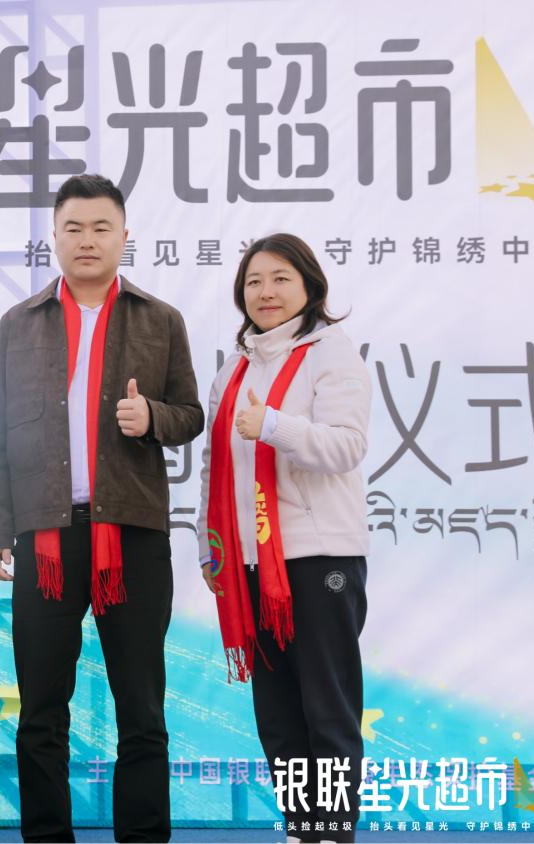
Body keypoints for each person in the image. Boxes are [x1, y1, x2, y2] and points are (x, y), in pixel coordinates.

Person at [0, 173, 204, 843]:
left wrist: (152, 417)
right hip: (46, 537)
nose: (86, 240)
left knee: (142, 710)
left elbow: (191, 414)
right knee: (41, 711)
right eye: (73, 227)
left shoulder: (160, 319)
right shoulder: (19, 324)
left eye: (101, 227)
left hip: (131, 536)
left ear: (124, 236)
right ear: (54, 236)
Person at [197, 233, 371, 843]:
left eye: (279, 279)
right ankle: (303, 828)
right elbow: (214, 466)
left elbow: (346, 446)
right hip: (249, 564)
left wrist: (272, 424)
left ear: (309, 286)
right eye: (253, 282)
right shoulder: (234, 368)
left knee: (328, 708)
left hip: (320, 558)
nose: (265, 292)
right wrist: (210, 548)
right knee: (277, 715)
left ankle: (334, 833)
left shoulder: (331, 352)